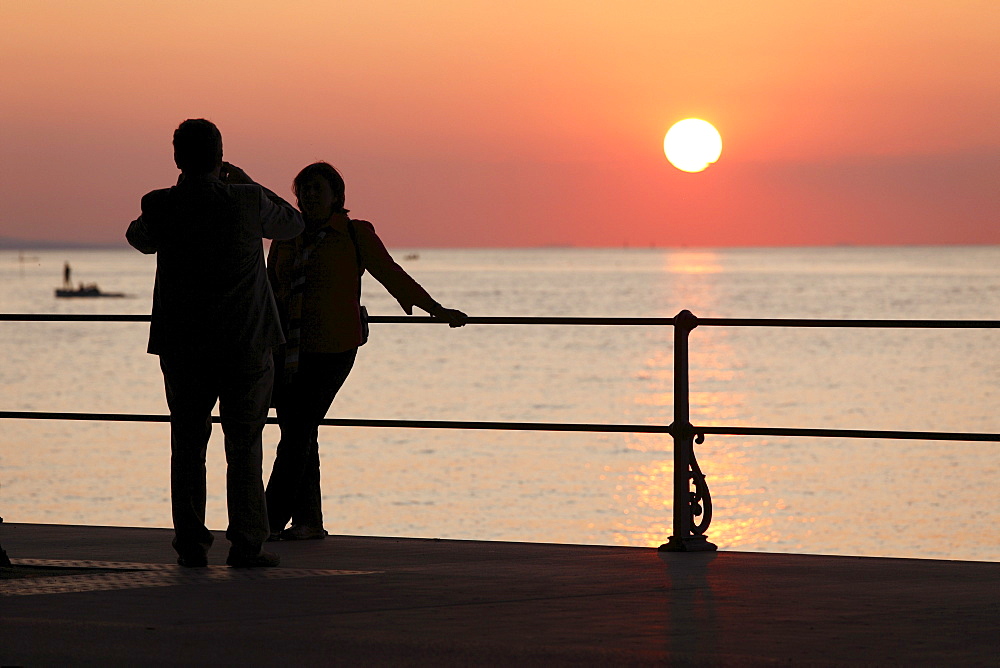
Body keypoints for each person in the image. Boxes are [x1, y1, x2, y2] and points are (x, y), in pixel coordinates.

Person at [126, 119, 304, 567]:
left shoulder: (161, 204)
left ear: (176, 157)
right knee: (244, 445)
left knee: (187, 445)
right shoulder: (247, 199)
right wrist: (246, 181)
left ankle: (190, 544)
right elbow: (293, 224)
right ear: (221, 154)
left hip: (183, 345)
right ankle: (247, 543)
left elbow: (138, 238)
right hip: (246, 343)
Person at [265, 161, 467, 540]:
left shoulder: (354, 234)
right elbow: (269, 287)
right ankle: (309, 523)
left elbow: (391, 273)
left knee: (297, 432)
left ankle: (267, 521)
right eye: (303, 189)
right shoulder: (285, 236)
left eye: (317, 189)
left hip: (334, 349)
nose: (309, 196)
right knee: (299, 430)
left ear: (337, 196)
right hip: (287, 350)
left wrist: (435, 309)